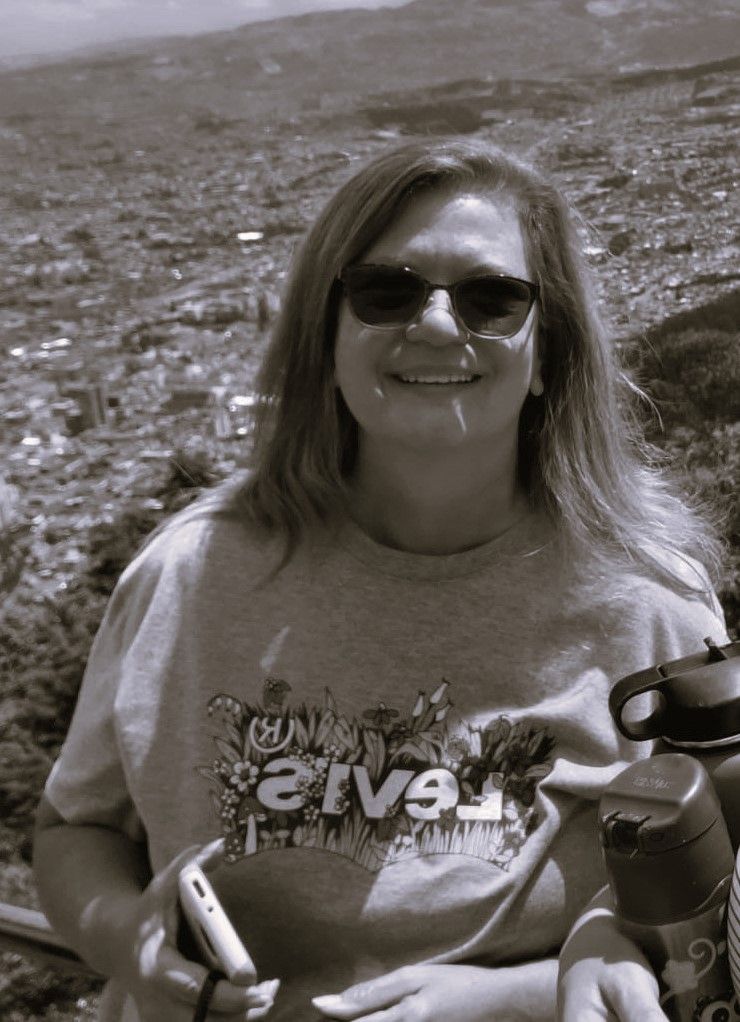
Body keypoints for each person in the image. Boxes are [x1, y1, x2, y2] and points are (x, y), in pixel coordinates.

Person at [33, 137, 729, 1022]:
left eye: (490, 298)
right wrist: (126, 942)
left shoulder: (648, 600)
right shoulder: (189, 574)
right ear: (326, 337)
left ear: (548, 352)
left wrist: (512, 997)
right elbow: (74, 826)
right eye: (386, 291)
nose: (436, 326)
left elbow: (712, 890)